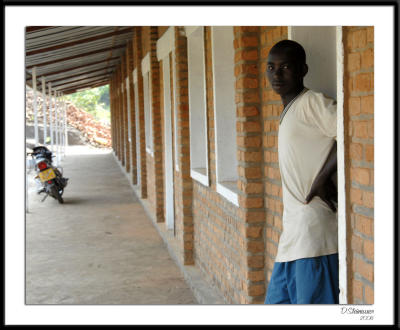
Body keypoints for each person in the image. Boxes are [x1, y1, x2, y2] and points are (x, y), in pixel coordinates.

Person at [264, 39, 339, 304]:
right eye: (271, 67)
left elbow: (352, 128)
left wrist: (322, 179)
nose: (277, 74)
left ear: (302, 70)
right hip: (292, 236)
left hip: (315, 236)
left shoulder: (311, 103)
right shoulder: (290, 109)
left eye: (285, 67)